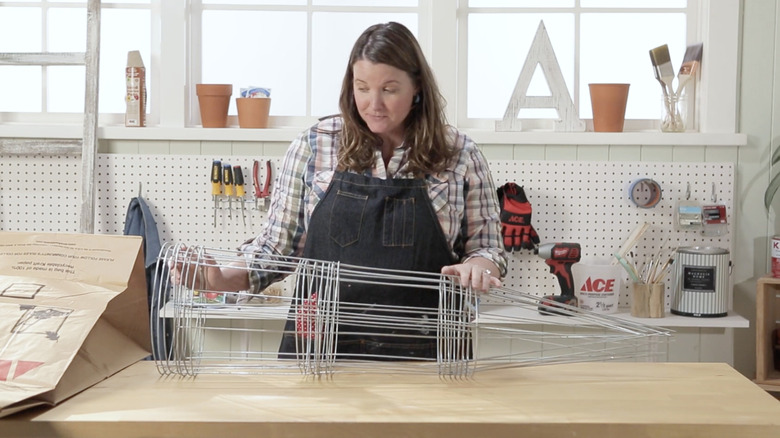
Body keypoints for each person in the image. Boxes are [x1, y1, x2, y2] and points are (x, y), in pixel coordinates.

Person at [171, 21, 507, 360]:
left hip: (427, 349)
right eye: (362, 87)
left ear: (417, 87)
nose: (373, 104)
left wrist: (479, 267)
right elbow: (276, 250)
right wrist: (217, 279)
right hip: (321, 349)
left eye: (389, 89)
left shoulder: (460, 153)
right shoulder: (315, 145)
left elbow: (488, 249)